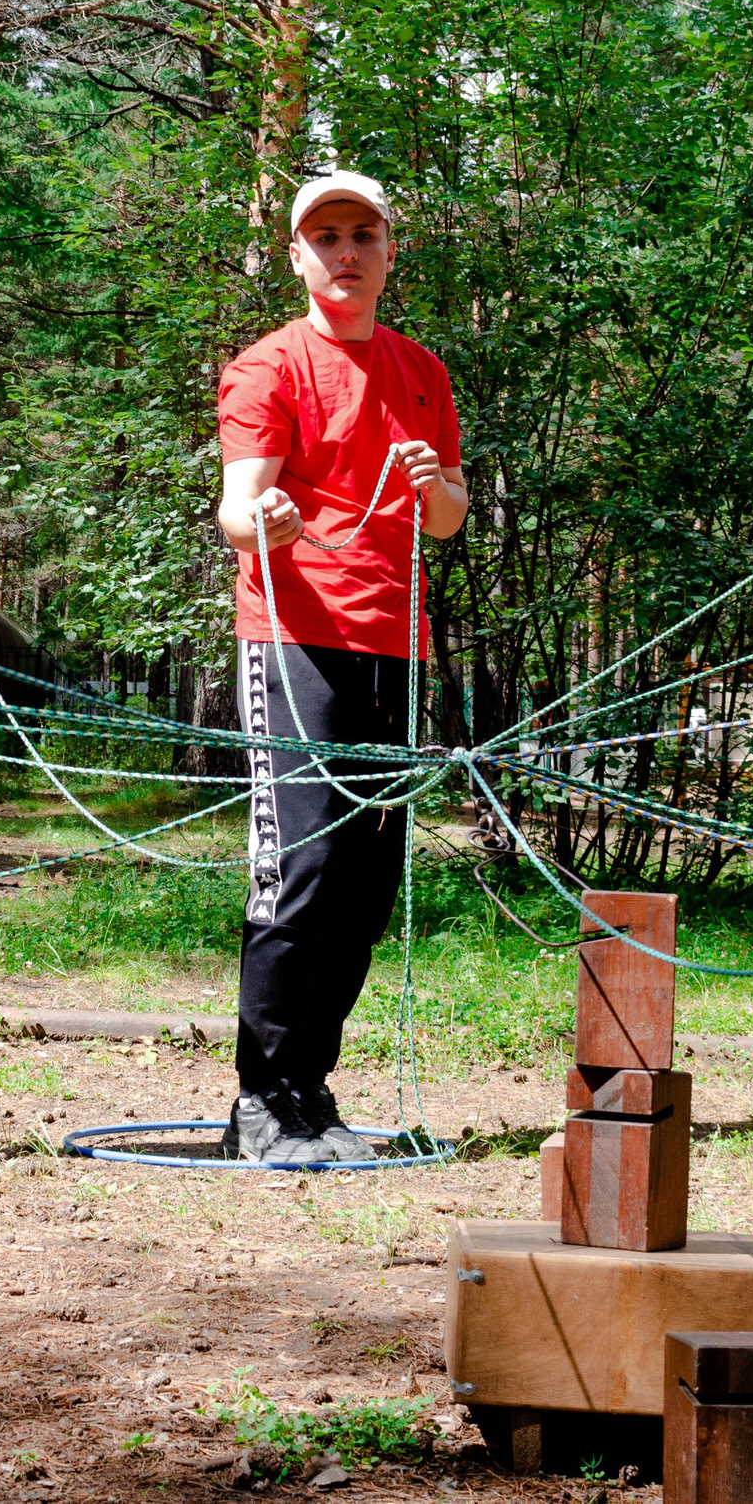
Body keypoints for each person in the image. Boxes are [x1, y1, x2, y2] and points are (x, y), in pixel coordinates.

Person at [213, 172, 468, 1165]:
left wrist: (434, 486)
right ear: (297, 256)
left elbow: (447, 519)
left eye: (363, 233)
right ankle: (260, 1100)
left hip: (393, 646)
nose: (345, 251)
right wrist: (266, 519)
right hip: (294, 640)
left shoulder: (422, 372)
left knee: (365, 885)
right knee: (303, 869)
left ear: (390, 250)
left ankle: (309, 1093)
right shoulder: (268, 367)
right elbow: (237, 508)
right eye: (325, 236)